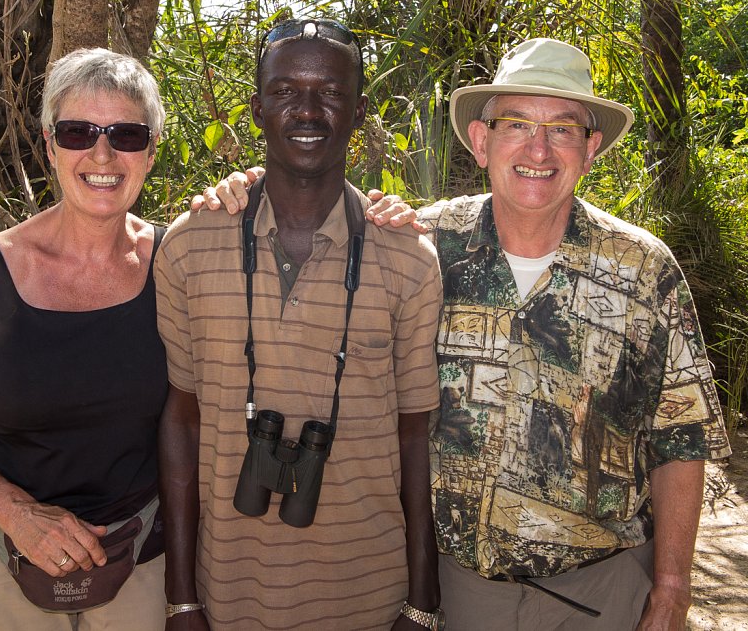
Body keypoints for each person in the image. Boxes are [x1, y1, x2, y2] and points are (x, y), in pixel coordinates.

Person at [200, 38, 732, 631]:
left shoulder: (643, 270)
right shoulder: (419, 246)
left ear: (591, 148)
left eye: (563, 129)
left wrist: (672, 587)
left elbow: (680, 439)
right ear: (481, 142)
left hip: (604, 591)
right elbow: (309, 208)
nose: (538, 148)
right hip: (454, 592)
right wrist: (244, 190)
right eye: (516, 125)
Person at [154, 18, 445, 630]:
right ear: (257, 108)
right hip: (230, 593)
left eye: (330, 93)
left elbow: (415, 436)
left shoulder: (409, 259)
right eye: (285, 92)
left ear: (360, 110)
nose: (307, 111)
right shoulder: (188, 248)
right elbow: (181, 420)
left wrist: (422, 601)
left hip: (368, 593)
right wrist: (181, 597)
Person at [0, 48, 170, 631]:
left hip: (140, 559)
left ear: (148, 152)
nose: (101, 154)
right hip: (0, 557)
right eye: (77, 132)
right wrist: (19, 515)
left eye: (124, 134)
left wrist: (379, 217)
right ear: (49, 145)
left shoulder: (176, 263)